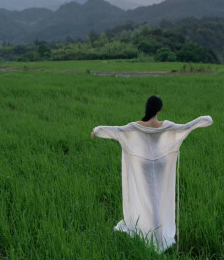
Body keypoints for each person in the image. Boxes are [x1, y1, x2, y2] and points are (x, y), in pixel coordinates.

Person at [91, 95, 213, 252]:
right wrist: (206, 119)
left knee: (148, 197)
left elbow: (116, 131)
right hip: (162, 164)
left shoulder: (135, 126)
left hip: (144, 165)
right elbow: (186, 126)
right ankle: (158, 234)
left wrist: (97, 130)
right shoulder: (166, 125)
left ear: (147, 108)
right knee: (159, 197)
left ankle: (153, 232)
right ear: (159, 109)